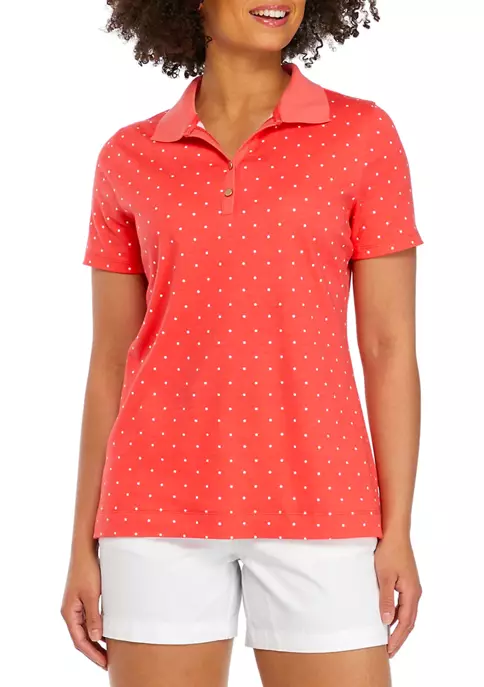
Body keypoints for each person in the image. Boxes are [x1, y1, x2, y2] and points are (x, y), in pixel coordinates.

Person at [61, 1, 424, 685]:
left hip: (323, 500)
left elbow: (388, 346)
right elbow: (110, 361)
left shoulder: (362, 136)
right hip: (154, 508)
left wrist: (398, 527)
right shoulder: (129, 157)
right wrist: (83, 542)